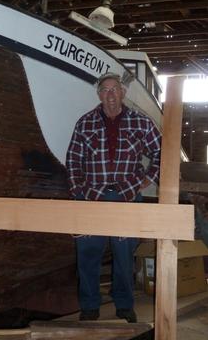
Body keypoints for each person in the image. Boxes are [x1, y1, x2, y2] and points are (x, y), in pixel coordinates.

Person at [66, 73, 161, 322]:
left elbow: (162, 152)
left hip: (127, 198)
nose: (110, 95)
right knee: (87, 256)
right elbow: (73, 159)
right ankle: (89, 306)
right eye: (105, 90)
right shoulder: (84, 123)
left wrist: (147, 180)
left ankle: (124, 305)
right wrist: (77, 191)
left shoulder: (141, 123)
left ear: (123, 93)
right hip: (91, 198)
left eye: (114, 89)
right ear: (99, 95)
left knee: (123, 257)